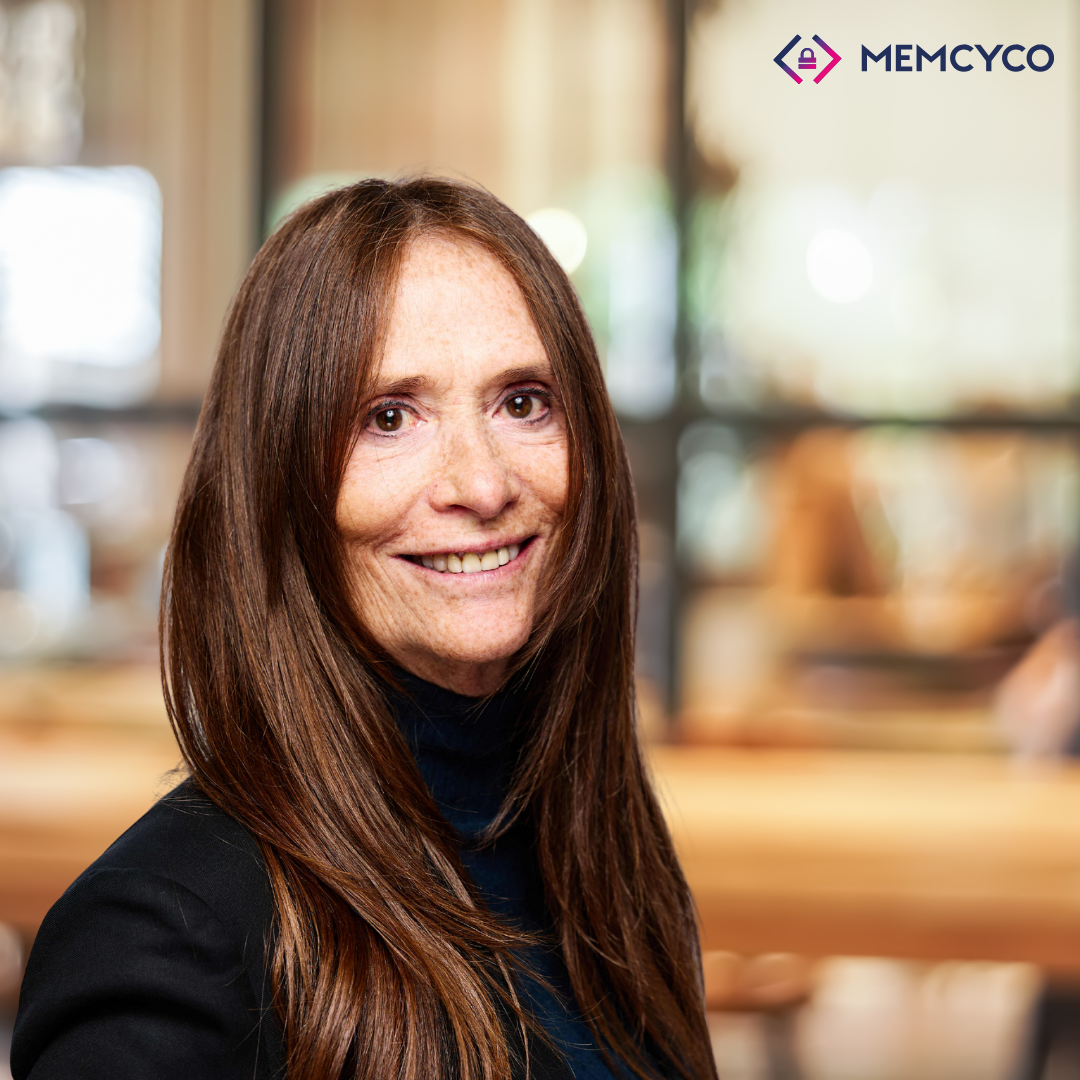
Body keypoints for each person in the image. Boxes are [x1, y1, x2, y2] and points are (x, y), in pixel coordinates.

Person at [11, 178, 716, 1080]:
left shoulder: (604, 862)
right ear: (280, 482)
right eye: (389, 417)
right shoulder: (165, 935)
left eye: (523, 403)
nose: (483, 485)